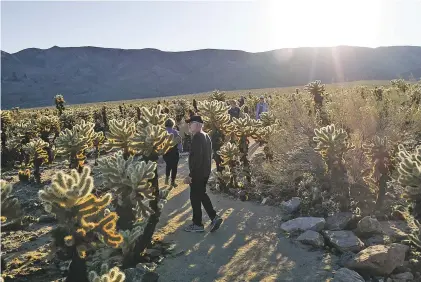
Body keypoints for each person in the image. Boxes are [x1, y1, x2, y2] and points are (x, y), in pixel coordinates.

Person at [183, 115, 223, 233]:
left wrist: (191, 175)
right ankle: (212, 218)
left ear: (198, 125)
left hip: (198, 173)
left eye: (191, 123)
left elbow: (198, 159)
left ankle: (199, 224)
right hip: (205, 172)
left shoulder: (197, 137)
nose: (189, 125)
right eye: (189, 124)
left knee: (196, 197)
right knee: (200, 195)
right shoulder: (206, 136)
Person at [163, 118, 182, 187]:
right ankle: (172, 181)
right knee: (174, 167)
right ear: (172, 124)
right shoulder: (175, 132)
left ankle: (167, 177)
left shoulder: (163, 132)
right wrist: (180, 149)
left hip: (165, 151)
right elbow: (179, 141)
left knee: (168, 165)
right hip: (174, 151)